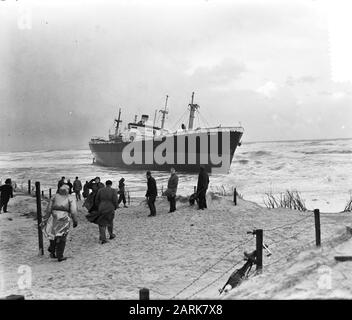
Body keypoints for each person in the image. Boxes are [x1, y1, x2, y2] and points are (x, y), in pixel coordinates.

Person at [41, 184, 78, 261]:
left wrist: (45, 219)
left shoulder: (54, 196)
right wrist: (75, 221)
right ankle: (60, 255)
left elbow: (48, 209)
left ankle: (52, 250)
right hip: (64, 218)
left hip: (54, 217)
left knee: (53, 234)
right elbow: (73, 211)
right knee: (62, 237)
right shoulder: (71, 197)